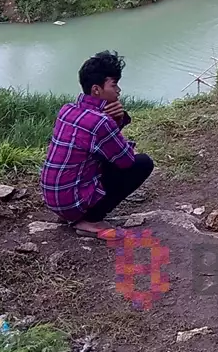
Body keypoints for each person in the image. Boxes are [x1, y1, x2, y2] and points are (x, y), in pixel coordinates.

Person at [40, 51, 154, 239]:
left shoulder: (67, 109)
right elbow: (126, 161)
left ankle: (73, 214)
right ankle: (91, 221)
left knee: (104, 158)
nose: (118, 91)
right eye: (114, 84)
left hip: (54, 199)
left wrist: (114, 121)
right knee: (143, 164)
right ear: (96, 90)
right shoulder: (101, 121)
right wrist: (116, 119)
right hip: (70, 202)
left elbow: (98, 145)